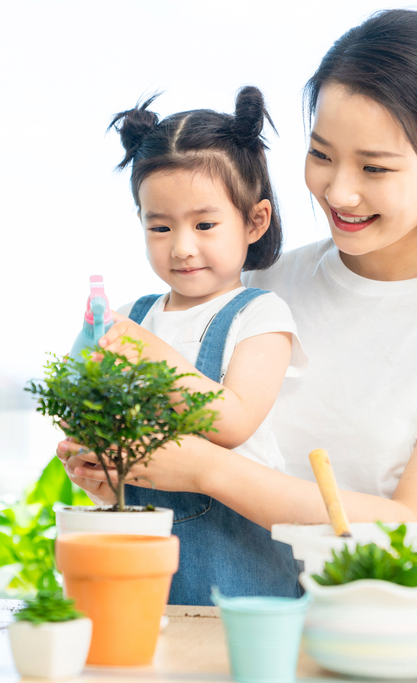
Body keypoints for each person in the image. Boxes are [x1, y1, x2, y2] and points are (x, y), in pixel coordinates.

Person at [60, 8, 417, 597]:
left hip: (397, 630)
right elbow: (203, 466)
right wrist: (120, 468)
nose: (338, 191)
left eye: (375, 167)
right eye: (322, 154)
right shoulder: (262, 283)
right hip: (240, 617)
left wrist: (204, 469)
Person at [90, 87, 309, 605]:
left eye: (205, 225)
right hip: (143, 563)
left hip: (243, 567)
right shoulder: (135, 315)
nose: (182, 246)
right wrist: (97, 462)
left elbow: (231, 422)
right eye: (160, 227)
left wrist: (149, 354)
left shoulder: (261, 316)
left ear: (255, 220)